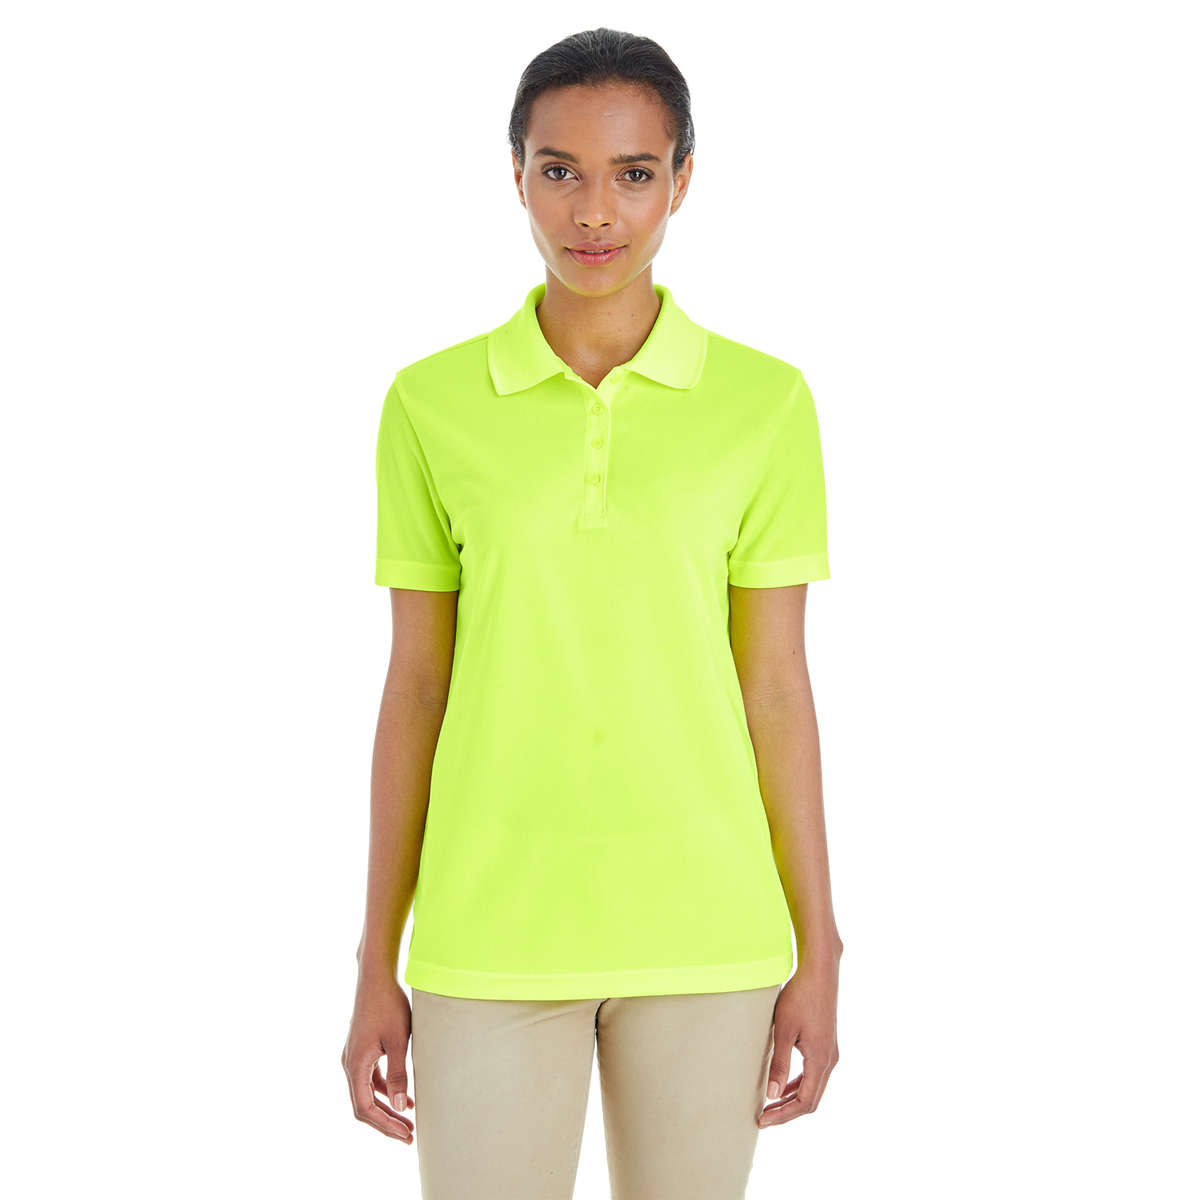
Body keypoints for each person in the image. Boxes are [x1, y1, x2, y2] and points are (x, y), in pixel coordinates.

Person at [342, 26, 843, 1199]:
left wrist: (819, 944)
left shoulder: (766, 404)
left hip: (708, 930)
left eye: (634, 172)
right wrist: (376, 960)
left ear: (682, 180)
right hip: (487, 932)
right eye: (559, 169)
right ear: (515, 174)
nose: (595, 211)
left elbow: (775, 687)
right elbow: (417, 688)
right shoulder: (428, 405)